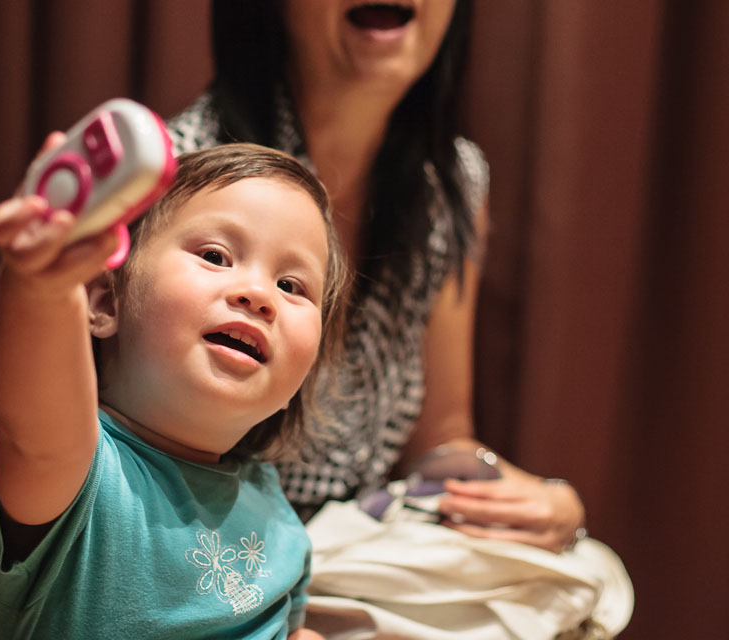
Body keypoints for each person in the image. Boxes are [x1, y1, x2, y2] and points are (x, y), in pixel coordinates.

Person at [169, 0, 586, 553]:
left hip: (354, 547)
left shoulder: (450, 183)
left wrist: (543, 502)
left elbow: (438, 439)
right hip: (203, 552)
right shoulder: (179, 174)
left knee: (587, 570)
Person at [0, 143, 348, 639]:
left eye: (291, 285)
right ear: (104, 300)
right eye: (215, 256)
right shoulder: (77, 469)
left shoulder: (275, 510)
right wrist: (41, 286)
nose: (260, 295)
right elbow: (31, 420)